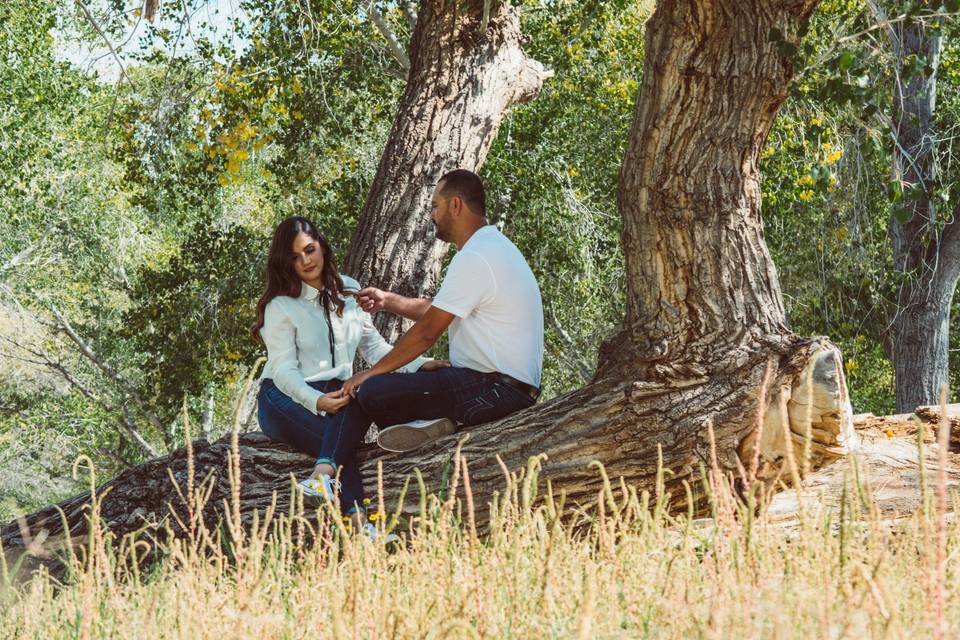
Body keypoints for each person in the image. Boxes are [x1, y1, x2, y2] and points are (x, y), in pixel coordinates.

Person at [251, 216, 448, 531]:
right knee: (340, 443)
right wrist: (316, 401)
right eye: (295, 256)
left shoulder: (349, 290)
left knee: (355, 403)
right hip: (283, 395)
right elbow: (285, 370)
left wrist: (418, 363)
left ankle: (332, 490)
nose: (305, 260)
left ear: (323, 248)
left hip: (337, 391)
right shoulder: (281, 306)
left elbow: (374, 348)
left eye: (310, 250)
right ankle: (357, 520)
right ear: (285, 263)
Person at [342, 169, 544, 453]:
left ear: (456, 205)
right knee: (388, 387)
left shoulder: (475, 256)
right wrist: (387, 301)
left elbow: (427, 333)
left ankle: (439, 422)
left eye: (435, 205)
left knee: (374, 392)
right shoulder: (491, 247)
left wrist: (370, 373)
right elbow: (437, 311)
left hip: (494, 390)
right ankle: (437, 423)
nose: (432, 215)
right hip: (508, 390)